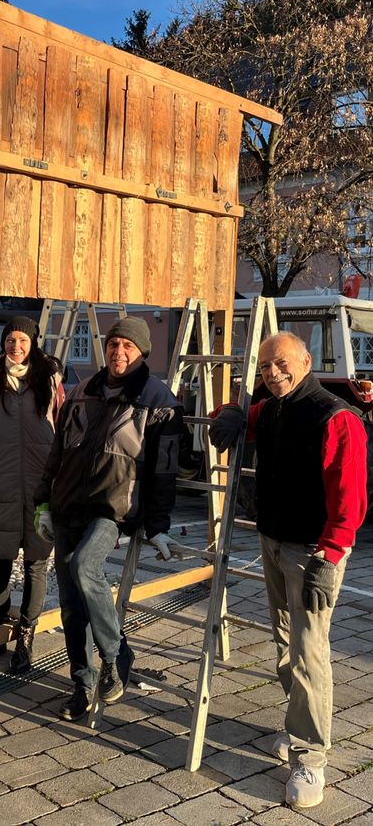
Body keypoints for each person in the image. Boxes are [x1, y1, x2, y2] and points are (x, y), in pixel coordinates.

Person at [208, 331, 367, 809]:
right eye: (263, 368)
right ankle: (298, 725)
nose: (272, 374)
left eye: (281, 364)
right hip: (273, 542)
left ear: (305, 360)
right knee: (284, 642)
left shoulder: (334, 417)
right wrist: (229, 414)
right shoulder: (275, 407)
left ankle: (311, 757)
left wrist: (331, 556)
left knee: (308, 651)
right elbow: (240, 419)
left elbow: (351, 499)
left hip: (312, 552)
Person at [34, 316, 182, 722]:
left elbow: (164, 470)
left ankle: (116, 655)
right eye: (114, 344)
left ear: (141, 352)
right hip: (67, 506)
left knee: (86, 568)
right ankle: (82, 684)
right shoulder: (83, 391)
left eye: (128, 347)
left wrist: (158, 524)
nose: (119, 352)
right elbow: (56, 453)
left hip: (112, 509)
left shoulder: (158, 401)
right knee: (69, 607)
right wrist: (42, 502)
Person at [0, 317, 63, 673]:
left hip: (40, 485)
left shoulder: (48, 379)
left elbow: (62, 426)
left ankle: (26, 633)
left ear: (32, 342)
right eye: (10, 339)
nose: (15, 346)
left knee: (37, 562)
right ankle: (1, 621)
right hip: (1, 482)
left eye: (22, 339)